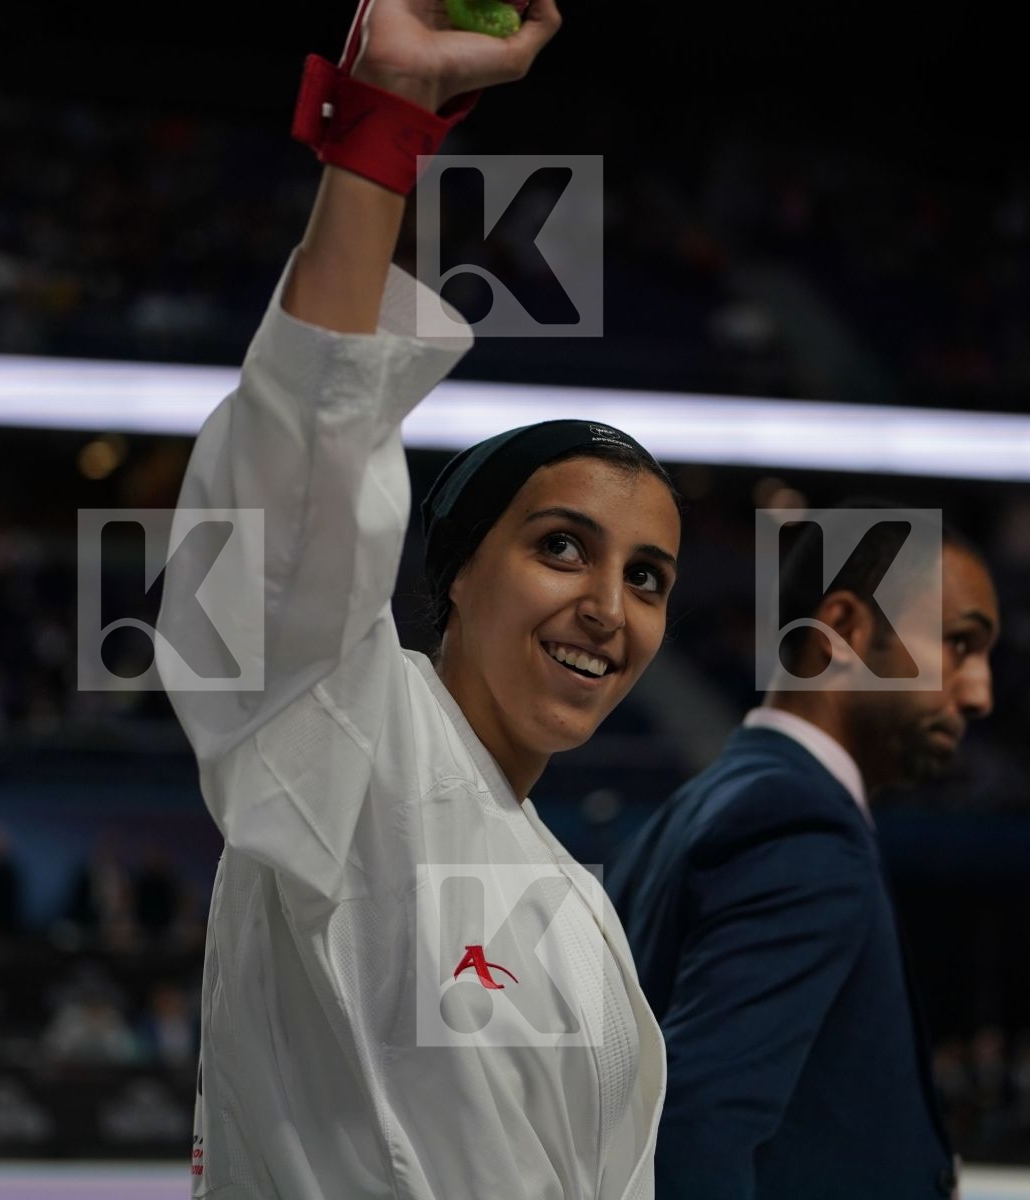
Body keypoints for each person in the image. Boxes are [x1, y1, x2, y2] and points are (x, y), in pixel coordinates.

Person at [157, 1, 678, 1196]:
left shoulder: (576, 903)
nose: (610, 605)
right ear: (454, 572)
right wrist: (381, 134)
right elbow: (298, 496)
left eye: (646, 577)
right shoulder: (344, 750)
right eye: (563, 547)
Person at [608, 510, 1000, 1199]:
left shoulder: (696, 809)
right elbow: (700, 1129)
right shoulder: (799, 823)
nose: (979, 693)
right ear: (846, 628)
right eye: (959, 644)